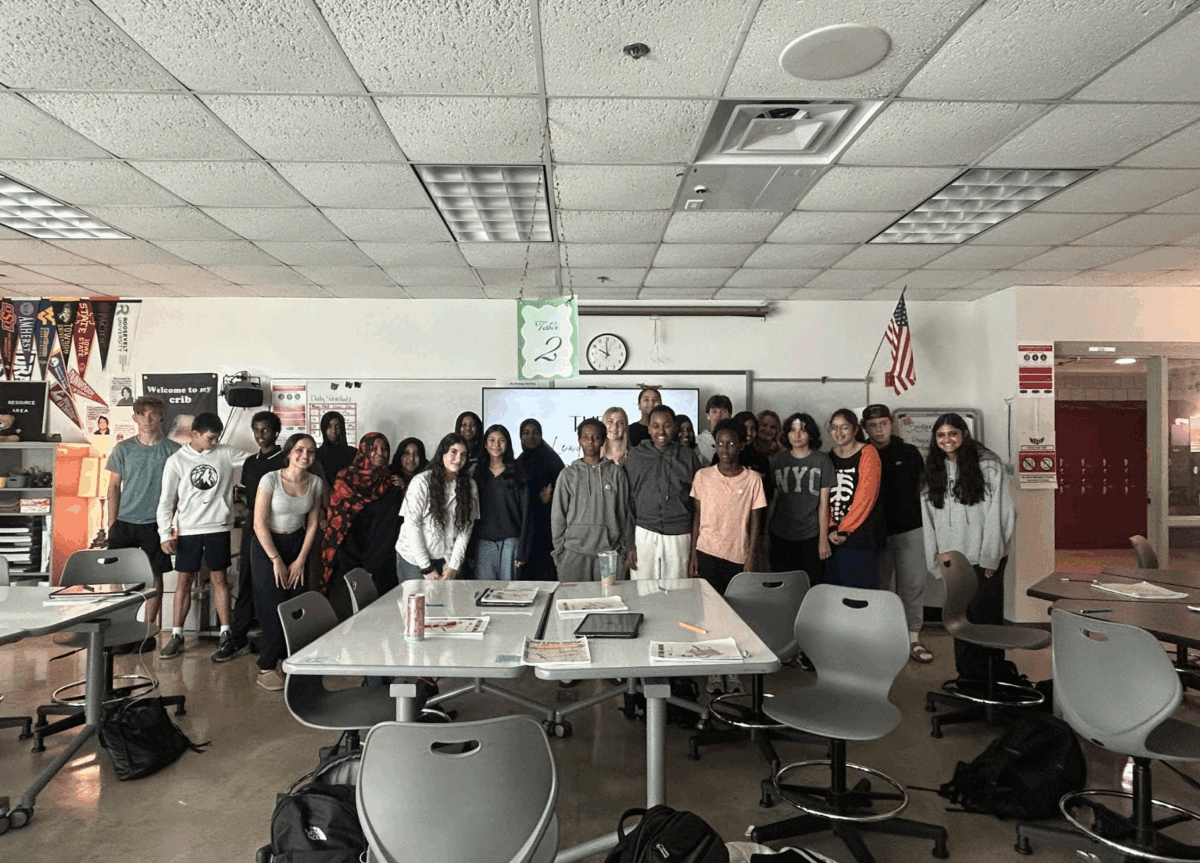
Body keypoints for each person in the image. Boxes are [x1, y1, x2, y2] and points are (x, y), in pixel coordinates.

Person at [920, 412, 1014, 680]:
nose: (946, 439)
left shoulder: (989, 466)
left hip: (985, 559)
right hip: (954, 562)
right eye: (940, 435)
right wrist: (935, 560)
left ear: (963, 435)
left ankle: (994, 679)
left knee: (987, 621)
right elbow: (928, 521)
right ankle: (968, 679)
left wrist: (990, 557)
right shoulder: (932, 471)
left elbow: (1003, 514)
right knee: (959, 621)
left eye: (952, 433)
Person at [156, 412, 249, 661]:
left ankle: (225, 633)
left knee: (220, 579)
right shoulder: (176, 461)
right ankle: (177, 635)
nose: (214, 442)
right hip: (189, 530)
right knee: (184, 581)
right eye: (210, 437)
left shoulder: (225, 453)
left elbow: (256, 461)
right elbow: (166, 500)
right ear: (194, 434)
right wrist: (165, 533)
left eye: (217, 437)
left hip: (218, 527)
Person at [690, 418, 766, 694]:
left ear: (741, 445)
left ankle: (732, 669)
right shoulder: (703, 476)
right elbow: (697, 517)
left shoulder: (753, 479)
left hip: (737, 554)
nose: (725, 449)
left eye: (731, 443)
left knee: (735, 614)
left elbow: (756, 522)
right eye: (719, 444)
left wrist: (751, 556)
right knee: (710, 614)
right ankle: (714, 670)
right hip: (708, 551)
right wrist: (693, 555)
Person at [105, 395, 180, 651]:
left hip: (155, 524)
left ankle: (147, 631)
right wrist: (111, 523)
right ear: (135, 417)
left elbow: (179, 493)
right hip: (124, 522)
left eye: (153, 413)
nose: (148, 419)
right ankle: (120, 626)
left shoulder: (173, 451)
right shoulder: (123, 449)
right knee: (117, 576)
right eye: (142, 413)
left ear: (162, 417)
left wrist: (170, 526)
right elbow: (114, 487)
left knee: (154, 576)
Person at [249, 433, 324, 691]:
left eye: (311, 451)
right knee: (272, 605)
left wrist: (300, 559)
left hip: (297, 545)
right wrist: (276, 559)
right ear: (290, 452)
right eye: (300, 450)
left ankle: (286, 661)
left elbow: (313, 523)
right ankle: (266, 666)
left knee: (294, 605)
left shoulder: (315, 482)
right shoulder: (270, 479)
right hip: (267, 546)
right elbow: (258, 523)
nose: (305, 455)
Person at [863, 404, 933, 663]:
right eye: (872, 425)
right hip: (874, 534)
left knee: (912, 585)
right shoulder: (862, 453)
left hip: (910, 529)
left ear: (891, 423)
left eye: (883, 423)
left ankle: (913, 638)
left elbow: (924, 490)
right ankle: (882, 638)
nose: (879, 429)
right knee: (880, 588)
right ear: (865, 428)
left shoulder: (909, 452)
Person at [227, 410, 285, 659]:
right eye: (257, 430)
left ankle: (279, 638)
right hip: (253, 524)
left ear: (276, 432)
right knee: (246, 580)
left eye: (266, 430)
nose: (261, 435)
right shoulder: (251, 462)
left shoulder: (285, 459)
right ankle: (238, 637)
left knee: (276, 582)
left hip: (279, 525)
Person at [320, 433, 401, 610]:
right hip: (346, 554)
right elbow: (336, 519)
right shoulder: (345, 478)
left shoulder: (390, 483)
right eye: (374, 448)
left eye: (384, 449)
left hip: (377, 559)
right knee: (346, 613)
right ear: (364, 450)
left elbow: (389, 526)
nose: (380, 453)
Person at [623, 405, 701, 580]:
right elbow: (627, 504)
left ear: (674, 427)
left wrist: (695, 549)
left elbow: (698, 506)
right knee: (643, 592)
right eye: (656, 426)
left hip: (679, 535)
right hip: (644, 533)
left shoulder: (688, 457)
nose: (661, 431)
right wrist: (629, 545)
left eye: (666, 425)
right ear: (649, 429)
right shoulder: (636, 456)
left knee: (678, 592)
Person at [551, 418, 635, 581]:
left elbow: (624, 514)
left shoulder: (616, 473)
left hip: (609, 555)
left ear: (603, 440)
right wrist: (559, 554)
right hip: (573, 555)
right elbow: (557, 517)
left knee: (609, 602)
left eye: (596, 437)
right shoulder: (568, 475)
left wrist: (624, 552)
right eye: (586, 437)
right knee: (575, 603)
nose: (590, 442)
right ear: (579, 441)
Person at [397, 433, 478, 580]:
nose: (458, 459)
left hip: (447, 559)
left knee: (447, 602)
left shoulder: (470, 486)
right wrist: (426, 567)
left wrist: (454, 565)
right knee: (419, 602)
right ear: (442, 453)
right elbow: (412, 526)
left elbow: (465, 529)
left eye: (463, 455)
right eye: (453, 452)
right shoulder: (421, 482)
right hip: (413, 560)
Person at [766, 412, 833, 586]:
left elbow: (824, 504)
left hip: (811, 536)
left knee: (811, 587)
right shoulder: (777, 460)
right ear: (786, 433)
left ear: (810, 433)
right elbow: (772, 500)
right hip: (780, 535)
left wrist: (823, 540)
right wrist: (765, 534)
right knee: (782, 588)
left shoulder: (822, 461)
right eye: (792, 430)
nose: (797, 435)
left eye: (802, 430)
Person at [824, 408, 885, 589]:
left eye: (844, 427)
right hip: (832, 537)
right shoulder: (828, 457)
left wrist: (845, 529)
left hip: (861, 538)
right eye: (834, 428)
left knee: (860, 593)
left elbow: (866, 496)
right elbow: (824, 498)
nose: (839, 433)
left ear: (854, 429)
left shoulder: (868, 452)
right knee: (835, 592)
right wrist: (831, 526)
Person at [472, 424, 532, 580]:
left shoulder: (518, 472)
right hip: (483, 542)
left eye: (501, 440)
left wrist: (523, 550)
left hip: (511, 541)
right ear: (485, 444)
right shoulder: (476, 474)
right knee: (484, 593)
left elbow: (527, 514)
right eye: (491, 440)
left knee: (509, 593)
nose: (496, 445)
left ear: (508, 444)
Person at [518, 418, 565, 581]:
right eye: (526, 433)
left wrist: (547, 502)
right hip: (525, 525)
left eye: (535, 433)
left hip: (545, 526)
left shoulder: (551, 459)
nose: (530, 437)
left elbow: (561, 495)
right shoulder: (520, 460)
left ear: (541, 435)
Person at [314, 411, 355, 483]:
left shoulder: (354, 453)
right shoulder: (317, 455)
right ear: (324, 429)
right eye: (329, 426)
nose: (334, 431)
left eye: (337, 426)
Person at [696, 394, 732, 463]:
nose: (718, 415)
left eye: (723, 411)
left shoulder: (735, 440)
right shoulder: (698, 441)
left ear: (730, 415)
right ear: (708, 416)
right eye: (714, 411)